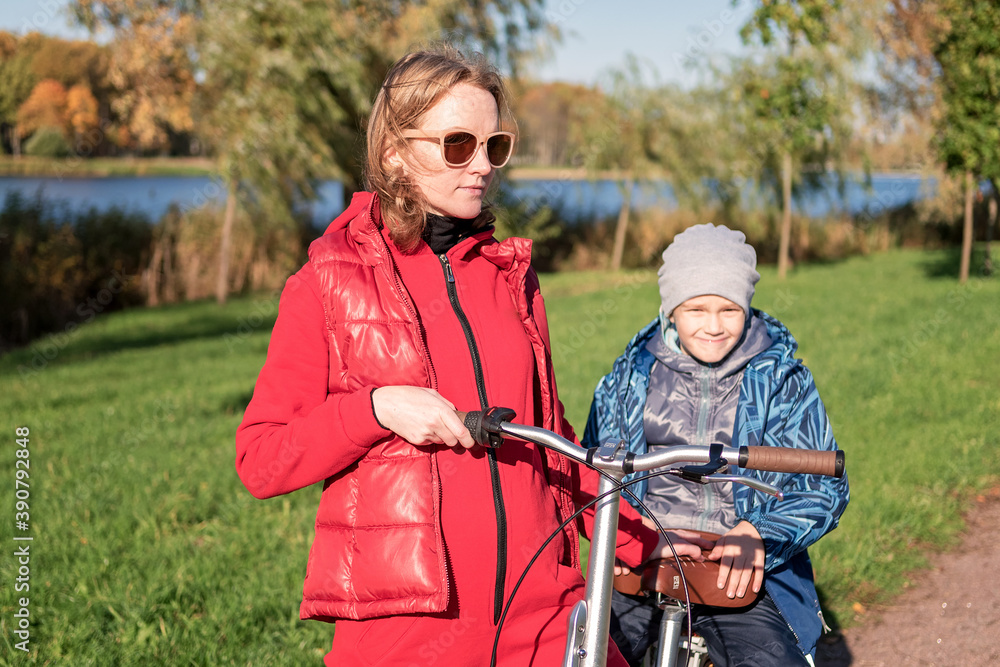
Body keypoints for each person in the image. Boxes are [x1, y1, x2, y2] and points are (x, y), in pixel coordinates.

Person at [235, 45, 679, 666]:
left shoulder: (510, 276)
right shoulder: (327, 283)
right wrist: (375, 408)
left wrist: (650, 543)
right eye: (457, 144)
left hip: (546, 613)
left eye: (494, 146)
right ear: (394, 152)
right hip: (409, 628)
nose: (481, 166)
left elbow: (547, 435)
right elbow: (261, 458)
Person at [583, 223, 850, 667]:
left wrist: (759, 532)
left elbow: (824, 489)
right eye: (696, 310)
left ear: (747, 308)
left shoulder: (782, 381)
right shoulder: (628, 379)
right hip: (646, 553)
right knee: (586, 652)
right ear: (671, 311)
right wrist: (619, 538)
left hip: (739, 567)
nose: (712, 326)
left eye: (729, 310)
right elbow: (593, 473)